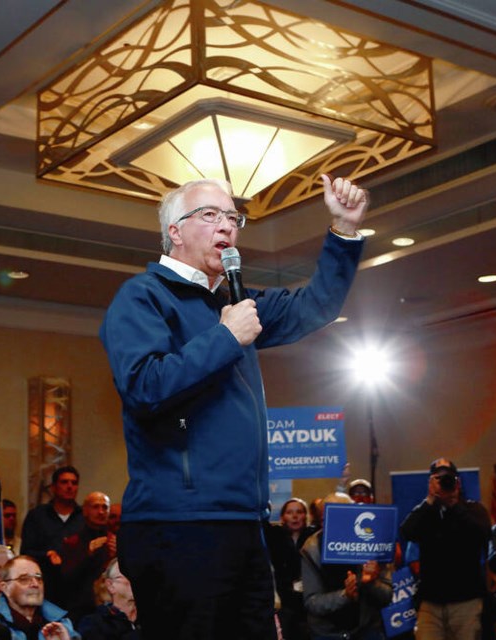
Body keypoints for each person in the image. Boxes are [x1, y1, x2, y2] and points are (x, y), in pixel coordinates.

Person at [100, 175, 368, 639]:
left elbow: (316, 307)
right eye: (209, 214)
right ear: (175, 231)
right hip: (179, 525)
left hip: (244, 521)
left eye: (232, 217)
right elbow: (144, 386)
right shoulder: (143, 297)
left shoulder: (237, 302)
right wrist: (225, 338)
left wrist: (343, 230)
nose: (226, 225)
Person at [399, 458, 490, 640]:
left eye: (448, 478)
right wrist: (430, 499)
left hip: (467, 601)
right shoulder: (426, 512)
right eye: (438, 478)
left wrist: (454, 504)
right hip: (431, 602)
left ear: (458, 481)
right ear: (431, 482)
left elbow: (482, 534)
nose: (444, 482)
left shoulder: (473, 509)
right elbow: (406, 531)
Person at [301, 492, 392, 640]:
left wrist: (372, 583)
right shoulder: (312, 549)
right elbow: (312, 602)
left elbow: (387, 596)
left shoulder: (372, 543)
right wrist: (345, 595)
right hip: (327, 632)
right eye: (328, 519)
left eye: (343, 518)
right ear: (322, 521)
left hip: (365, 628)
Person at [0, 555, 79, 640]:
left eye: (39, 578)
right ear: (5, 588)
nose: (35, 584)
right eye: (24, 579)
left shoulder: (62, 624)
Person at [55, 492, 115, 622]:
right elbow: (66, 579)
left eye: (105, 507)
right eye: (96, 507)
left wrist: (117, 555)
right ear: (85, 511)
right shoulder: (72, 542)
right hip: (82, 609)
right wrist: (87, 555)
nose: (101, 512)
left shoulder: (116, 540)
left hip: (113, 607)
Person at [264, 498, 316, 640]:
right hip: (284, 600)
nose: (294, 516)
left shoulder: (314, 536)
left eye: (299, 512)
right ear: (282, 517)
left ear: (306, 516)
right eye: (289, 512)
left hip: (310, 598)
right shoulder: (275, 535)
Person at [18, 467, 83, 572]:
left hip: (79, 580)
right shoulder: (37, 515)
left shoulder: (84, 516)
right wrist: (46, 555)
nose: (70, 486)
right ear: (53, 487)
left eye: (74, 483)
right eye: (64, 482)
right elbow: (26, 552)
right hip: (45, 578)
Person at [76, 559, 139, 640]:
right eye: (127, 575)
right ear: (110, 585)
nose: (135, 579)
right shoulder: (93, 624)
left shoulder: (153, 618)